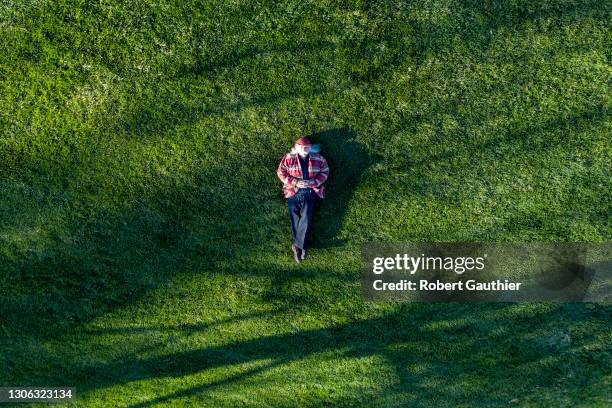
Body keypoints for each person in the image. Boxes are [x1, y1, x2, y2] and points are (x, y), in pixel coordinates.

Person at [277, 137, 329, 263]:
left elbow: (325, 172)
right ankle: (302, 247)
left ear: (310, 148)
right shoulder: (289, 158)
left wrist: (313, 182)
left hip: (310, 191)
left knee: (306, 217)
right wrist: (295, 182)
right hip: (293, 191)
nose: (305, 150)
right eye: (302, 148)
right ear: (296, 147)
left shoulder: (318, 158)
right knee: (295, 219)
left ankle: (298, 247)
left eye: (307, 148)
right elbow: (281, 172)